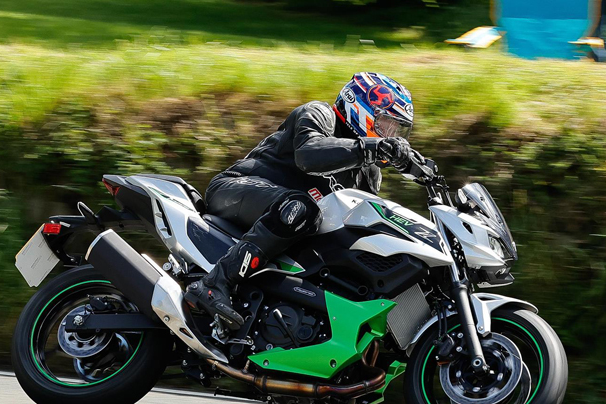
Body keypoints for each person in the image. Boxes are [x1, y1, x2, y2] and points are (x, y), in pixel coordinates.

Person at [184, 72, 434, 329]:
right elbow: (308, 155)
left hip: (289, 223)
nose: (391, 134)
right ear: (360, 107)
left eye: (398, 129)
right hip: (235, 188)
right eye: (386, 124)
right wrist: (371, 147)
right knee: (303, 209)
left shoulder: (369, 172)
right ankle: (215, 283)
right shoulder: (319, 113)